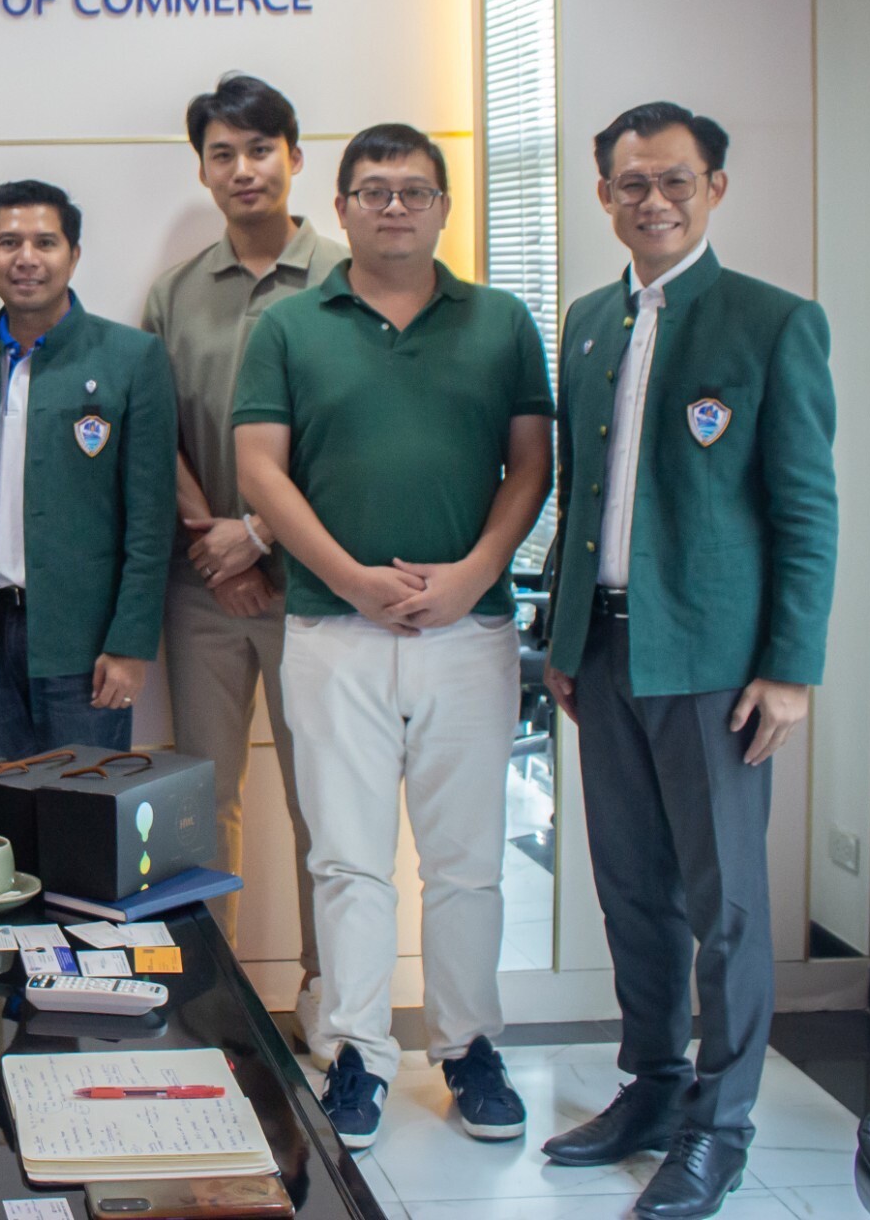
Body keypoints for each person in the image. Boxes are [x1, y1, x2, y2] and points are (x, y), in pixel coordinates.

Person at [538, 103, 836, 1220]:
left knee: (727, 909)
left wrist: (792, 667)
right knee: (630, 890)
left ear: (713, 186)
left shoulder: (771, 322)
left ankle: (720, 1126)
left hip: (715, 662)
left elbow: (806, 508)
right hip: (605, 653)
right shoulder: (585, 321)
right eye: (628, 183)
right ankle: (652, 1087)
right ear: (604, 194)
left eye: (673, 180)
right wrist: (562, 639)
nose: (651, 200)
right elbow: (580, 499)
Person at [232, 123, 551, 1151]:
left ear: (445, 207)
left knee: (467, 862)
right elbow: (259, 470)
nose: (394, 205)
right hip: (334, 631)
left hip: (471, 633)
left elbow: (532, 467)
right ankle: (357, 1054)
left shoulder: (501, 321)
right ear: (342, 208)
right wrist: (349, 577)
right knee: (347, 861)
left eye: (415, 189)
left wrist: (470, 576)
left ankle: (467, 1047)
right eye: (373, 189)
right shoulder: (290, 325)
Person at [140, 73, 348, 984]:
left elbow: (360, 439)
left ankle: (329, 1002)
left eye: (260, 150)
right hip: (205, 590)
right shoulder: (175, 293)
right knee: (203, 800)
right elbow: (155, 435)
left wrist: (260, 534)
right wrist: (219, 548)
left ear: (296, 160)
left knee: (325, 804)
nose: (242, 169)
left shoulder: (351, 279)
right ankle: (211, 999)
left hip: (326, 592)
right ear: (202, 170)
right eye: (222, 154)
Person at [0, 179, 176, 757]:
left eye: (45, 242)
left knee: (84, 819)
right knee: (2, 820)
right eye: (8, 242)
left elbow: (151, 516)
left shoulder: (131, 357)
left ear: (74, 255)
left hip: (86, 642)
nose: (26, 259)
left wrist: (131, 644)